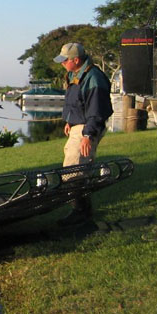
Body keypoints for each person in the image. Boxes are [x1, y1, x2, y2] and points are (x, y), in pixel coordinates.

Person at [54, 42, 113, 225]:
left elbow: (96, 110)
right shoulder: (75, 74)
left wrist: (88, 135)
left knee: (74, 171)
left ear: (76, 60)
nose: (62, 64)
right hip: (78, 126)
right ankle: (81, 211)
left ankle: (81, 213)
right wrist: (70, 121)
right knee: (74, 168)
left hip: (87, 128)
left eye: (65, 61)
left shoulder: (93, 77)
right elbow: (76, 101)